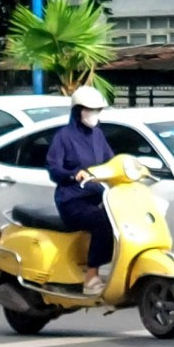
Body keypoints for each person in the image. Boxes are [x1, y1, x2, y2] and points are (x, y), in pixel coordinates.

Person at [46, 86, 114, 296]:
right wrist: (74, 174)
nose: (95, 114)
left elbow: (112, 161)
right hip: (72, 200)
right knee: (102, 222)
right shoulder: (63, 137)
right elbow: (53, 167)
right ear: (78, 111)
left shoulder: (98, 135)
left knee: (118, 219)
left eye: (98, 110)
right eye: (90, 110)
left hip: (96, 196)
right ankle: (91, 276)